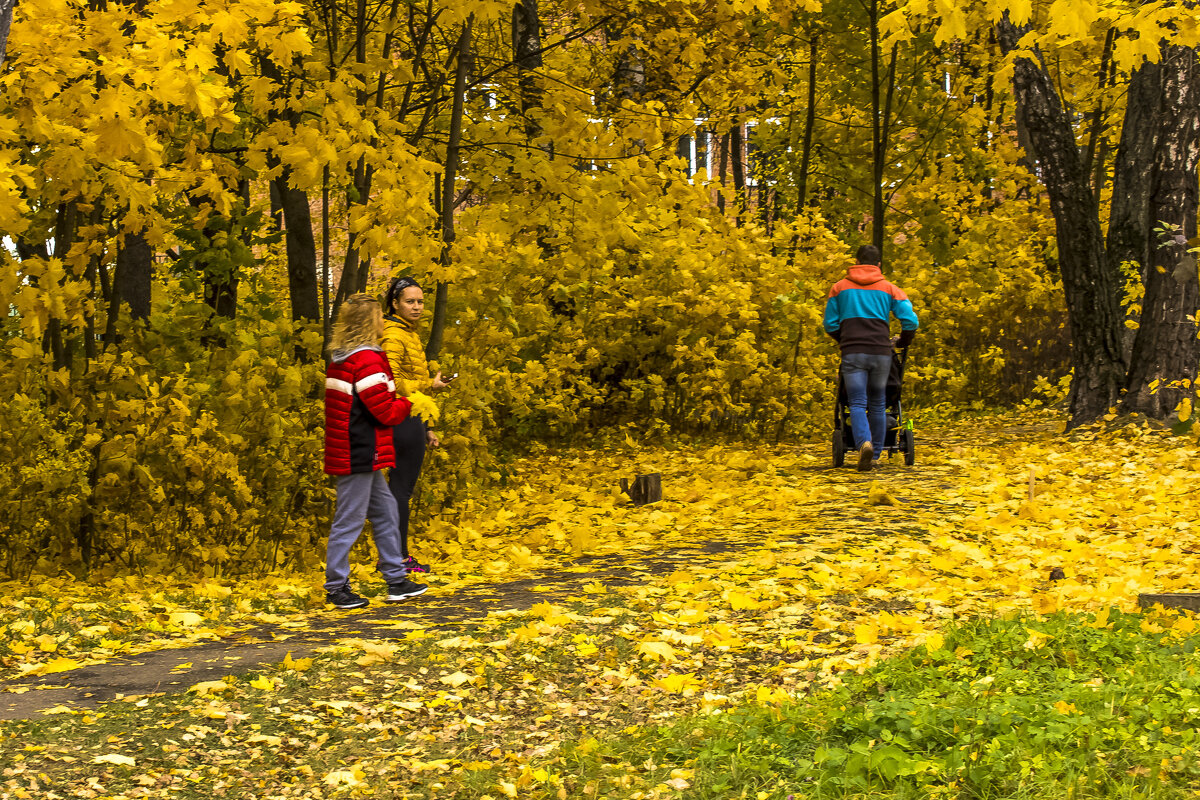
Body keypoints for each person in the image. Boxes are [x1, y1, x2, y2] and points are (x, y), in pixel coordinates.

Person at [323, 294, 428, 609]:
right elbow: (383, 410)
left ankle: (396, 580)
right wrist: (413, 403)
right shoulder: (366, 359)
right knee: (350, 518)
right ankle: (336, 587)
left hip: (357, 447)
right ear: (370, 322)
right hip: (360, 450)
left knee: (385, 512)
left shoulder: (342, 357)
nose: (384, 322)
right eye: (380, 316)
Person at [823, 244, 919, 472]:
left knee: (856, 403)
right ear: (878, 265)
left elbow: (829, 324)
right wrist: (904, 341)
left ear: (856, 262)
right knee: (877, 404)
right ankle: (874, 454)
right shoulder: (890, 289)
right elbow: (911, 321)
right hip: (880, 354)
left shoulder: (839, 288)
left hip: (853, 353)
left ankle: (862, 444)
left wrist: (843, 339)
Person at [381, 276, 452, 574]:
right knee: (399, 491)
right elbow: (392, 382)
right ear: (394, 304)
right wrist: (429, 384)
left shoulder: (409, 333)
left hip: (411, 418)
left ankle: (396, 556)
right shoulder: (393, 335)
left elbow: (415, 390)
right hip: (399, 418)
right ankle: (397, 558)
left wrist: (427, 426)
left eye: (420, 301)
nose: (417, 307)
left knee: (400, 490)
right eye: (410, 301)